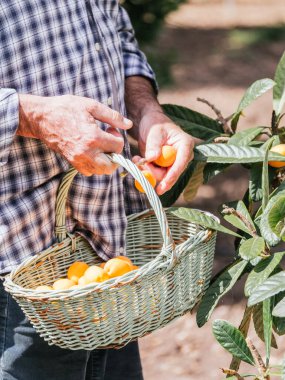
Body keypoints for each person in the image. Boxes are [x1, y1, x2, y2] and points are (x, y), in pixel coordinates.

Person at [0, 1, 194, 379]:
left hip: (106, 258)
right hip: (18, 271)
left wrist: (143, 109)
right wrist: (32, 115)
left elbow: (114, 28)